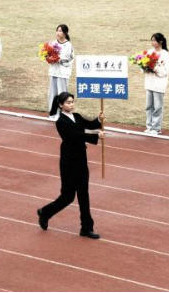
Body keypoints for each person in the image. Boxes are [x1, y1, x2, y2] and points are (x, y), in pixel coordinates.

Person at [37, 92, 104, 240]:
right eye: (68, 102)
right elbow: (74, 136)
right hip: (69, 163)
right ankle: (45, 212)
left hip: (81, 161)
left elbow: (90, 124)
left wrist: (98, 120)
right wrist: (95, 136)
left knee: (84, 195)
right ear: (61, 105)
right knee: (67, 197)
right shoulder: (61, 122)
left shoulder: (77, 117)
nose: (71, 104)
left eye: (72, 102)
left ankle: (86, 228)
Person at [143, 33, 169, 136]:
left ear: (160, 42)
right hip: (149, 82)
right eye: (152, 40)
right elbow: (143, 65)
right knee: (148, 106)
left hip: (159, 84)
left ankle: (156, 128)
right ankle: (149, 126)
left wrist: (155, 68)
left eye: (154, 40)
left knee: (158, 107)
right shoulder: (149, 52)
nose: (152, 42)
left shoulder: (165, 54)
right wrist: (144, 68)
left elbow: (166, 71)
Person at [47, 25, 74, 119]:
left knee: (62, 95)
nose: (58, 33)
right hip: (53, 72)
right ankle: (52, 113)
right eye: (57, 31)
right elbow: (47, 55)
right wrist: (48, 58)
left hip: (63, 74)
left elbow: (71, 59)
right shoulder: (52, 43)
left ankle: (61, 115)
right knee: (52, 94)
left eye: (60, 31)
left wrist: (59, 60)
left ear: (65, 33)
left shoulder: (68, 45)